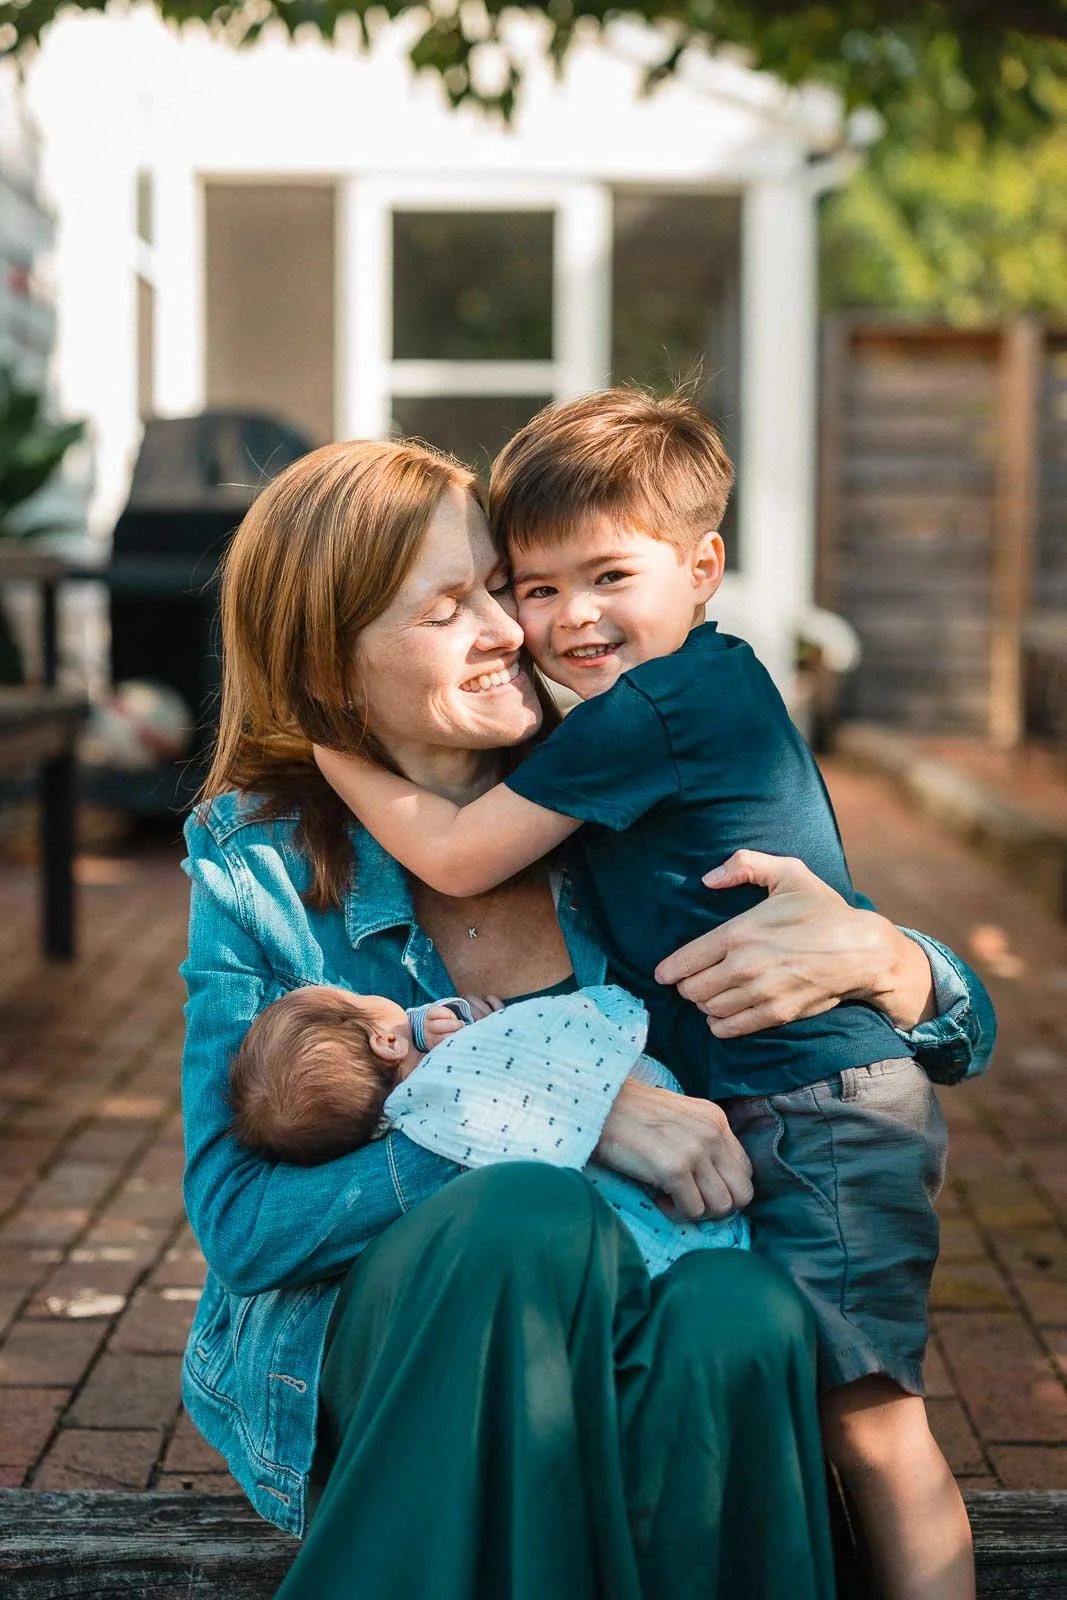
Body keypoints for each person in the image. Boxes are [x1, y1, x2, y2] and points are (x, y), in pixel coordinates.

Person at [180, 434, 995, 1600]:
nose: (516, 629)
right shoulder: (254, 862)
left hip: (640, 1318)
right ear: (331, 663)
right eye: (452, 605)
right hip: (405, 1346)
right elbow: (248, 1227)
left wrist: (890, 963)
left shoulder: (621, 785)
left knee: (742, 1309)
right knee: (525, 1212)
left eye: (498, 585)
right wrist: (559, 1116)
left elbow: (957, 1034)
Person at [228, 979, 748, 1273]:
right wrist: (480, 1030)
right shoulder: (456, 1069)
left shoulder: (400, 1124)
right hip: (657, 1150)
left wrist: (437, 1023)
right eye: (356, 1000)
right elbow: (526, 1040)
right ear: (385, 1044)